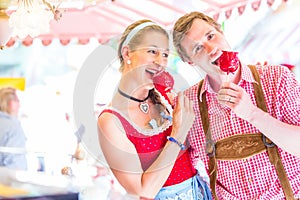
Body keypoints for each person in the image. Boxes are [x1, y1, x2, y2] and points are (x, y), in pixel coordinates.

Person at [172, 11, 300, 200]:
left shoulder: (277, 78)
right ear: (190, 61)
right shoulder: (189, 105)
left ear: (221, 32)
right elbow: (183, 172)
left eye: (210, 36)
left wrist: (251, 113)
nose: (211, 49)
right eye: (198, 48)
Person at [97, 19, 212, 199]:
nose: (160, 62)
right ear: (127, 53)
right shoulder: (110, 121)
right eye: (152, 51)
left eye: (165, 54)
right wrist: (178, 134)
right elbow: (142, 191)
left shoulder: (165, 97)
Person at [0, 87, 27, 170]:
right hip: (10, 179)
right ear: (12, 103)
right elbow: (14, 160)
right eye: (18, 101)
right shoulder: (13, 126)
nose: (19, 105)